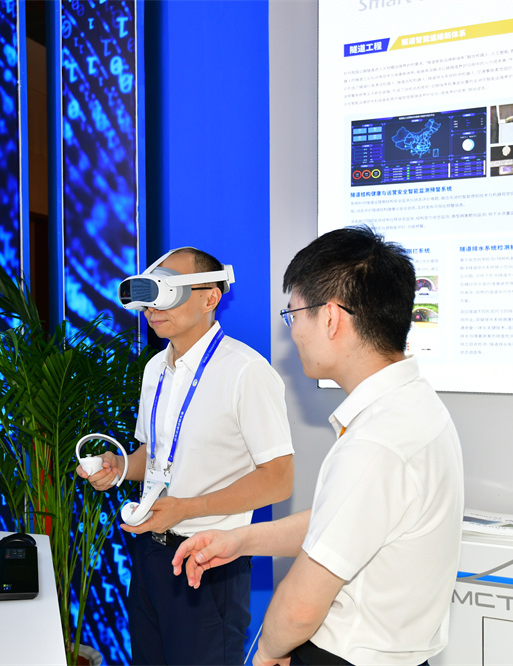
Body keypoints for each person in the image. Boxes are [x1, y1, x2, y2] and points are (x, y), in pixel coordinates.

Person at [172, 226, 464, 666]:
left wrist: (266, 652)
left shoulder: (376, 441)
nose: (292, 333)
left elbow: (300, 608)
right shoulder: (414, 407)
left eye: (293, 315)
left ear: (330, 318)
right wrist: (240, 540)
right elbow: (343, 520)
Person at [77, 247, 295, 665]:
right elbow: (152, 454)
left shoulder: (246, 372)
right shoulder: (155, 369)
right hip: (151, 554)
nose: (152, 308)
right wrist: (119, 466)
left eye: (166, 292)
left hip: (210, 560)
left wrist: (187, 508)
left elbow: (278, 478)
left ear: (210, 297)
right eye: (148, 295)